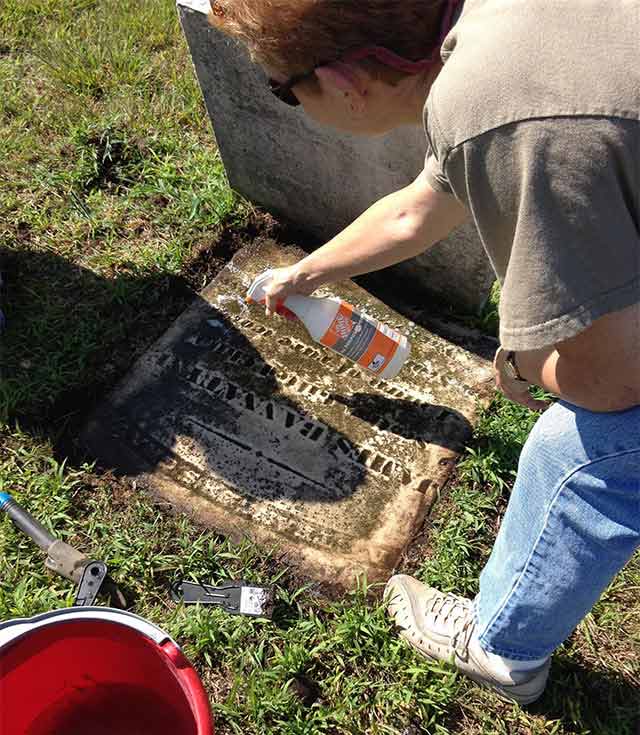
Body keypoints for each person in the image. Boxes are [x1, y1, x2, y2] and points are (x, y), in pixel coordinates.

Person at [209, 0, 640, 704]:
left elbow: (611, 379)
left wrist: (521, 361)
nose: (290, 102)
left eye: (284, 88)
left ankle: (504, 648)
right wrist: (307, 272)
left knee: (582, 449)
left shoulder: (498, 115)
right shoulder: (492, 32)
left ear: (345, 79)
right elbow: (420, 205)